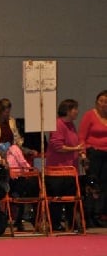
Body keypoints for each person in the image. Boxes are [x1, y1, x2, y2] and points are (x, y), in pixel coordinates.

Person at [46, 99, 84, 231]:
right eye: (75, 109)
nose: (77, 111)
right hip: (58, 170)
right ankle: (56, 223)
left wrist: (80, 153)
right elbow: (58, 147)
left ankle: (72, 223)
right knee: (58, 199)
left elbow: (74, 143)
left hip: (70, 169)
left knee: (71, 200)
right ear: (68, 110)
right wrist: (75, 149)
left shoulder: (71, 125)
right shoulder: (58, 124)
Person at [78, 90, 107, 225]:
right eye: (100, 101)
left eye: (105, 102)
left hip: (106, 155)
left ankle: (99, 214)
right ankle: (89, 215)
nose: (103, 104)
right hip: (93, 153)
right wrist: (83, 154)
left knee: (104, 185)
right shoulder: (89, 115)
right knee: (92, 185)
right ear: (96, 102)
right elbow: (82, 136)